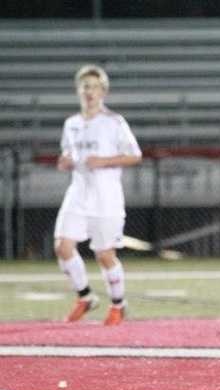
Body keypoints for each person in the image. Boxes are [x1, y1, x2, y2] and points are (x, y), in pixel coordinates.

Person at [54, 64, 142, 326]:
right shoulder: (71, 124)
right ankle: (85, 297)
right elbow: (68, 156)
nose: (88, 91)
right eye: (84, 87)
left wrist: (104, 161)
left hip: (107, 198)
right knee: (63, 246)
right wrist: (64, 162)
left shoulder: (114, 122)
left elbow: (135, 155)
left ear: (103, 91)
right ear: (78, 91)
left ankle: (118, 303)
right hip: (78, 194)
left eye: (93, 86)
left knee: (104, 254)